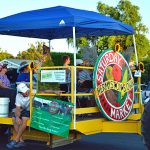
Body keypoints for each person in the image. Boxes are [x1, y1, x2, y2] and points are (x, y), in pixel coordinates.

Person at [6, 83, 30, 149]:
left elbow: (44, 91)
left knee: (24, 119)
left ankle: (16, 139)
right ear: (20, 92)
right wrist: (17, 117)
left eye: (26, 90)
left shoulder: (32, 92)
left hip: (31, 110)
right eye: (24, 92)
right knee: (14, 119)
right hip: (23, 110)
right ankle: (21, 141)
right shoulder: (18, 96)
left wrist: (55, 91)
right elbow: (18, 108)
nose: (26, 92)